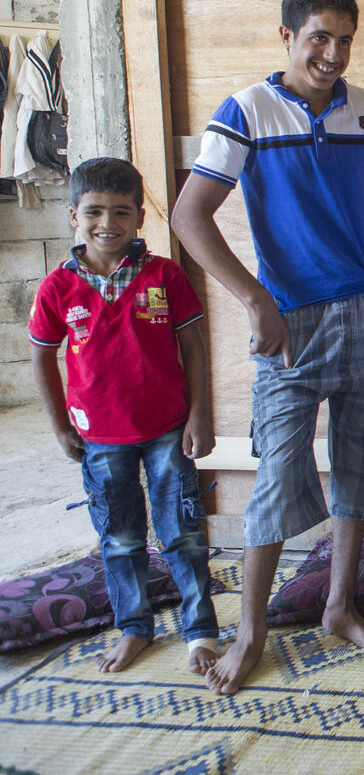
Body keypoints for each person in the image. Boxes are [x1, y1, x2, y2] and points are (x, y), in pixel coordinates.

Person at [172, 0, 364, 695]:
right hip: (289, 323)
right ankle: (250, 631)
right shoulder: (246, 111)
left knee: (360, 463)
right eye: (319, 37)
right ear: (286, 36)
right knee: (278, 475)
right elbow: (188, 216)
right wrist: (255, 299)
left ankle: (339, 606)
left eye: (345, 39)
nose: (333, 54)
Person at [29, 158, 217, 675]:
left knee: (183, 533)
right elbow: (42, 356)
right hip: (99, 437)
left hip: (168, 430)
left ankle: (200, 632)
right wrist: (60, 426)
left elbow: (193, 347)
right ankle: (134, 627)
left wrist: (199, 415)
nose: (106, 222)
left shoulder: (165, 275)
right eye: (93, 211)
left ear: (139, 218)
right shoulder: (57, 288)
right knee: (119, 537)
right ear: (74, 216)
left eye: (121, 211)